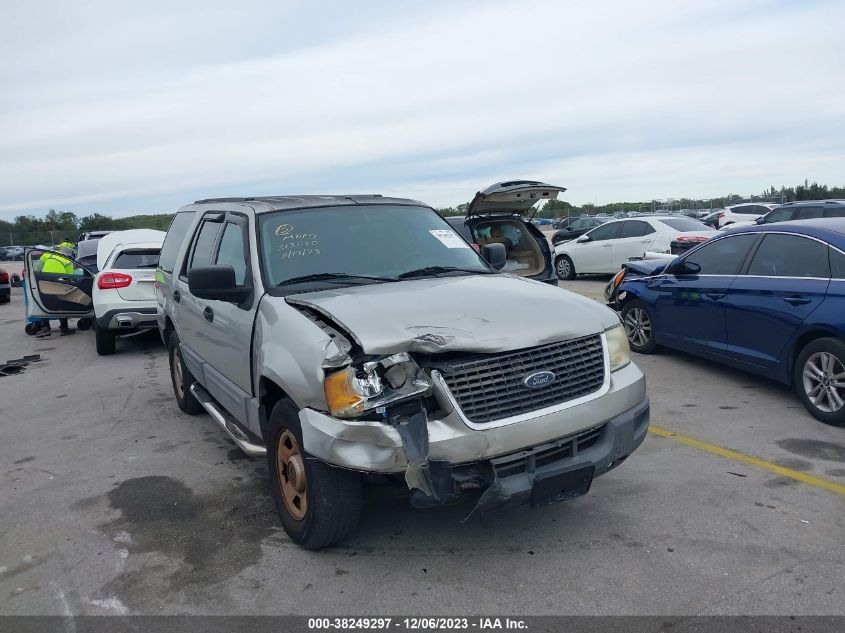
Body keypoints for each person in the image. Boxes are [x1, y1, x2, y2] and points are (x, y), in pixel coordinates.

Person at [35, 246, 76, 338]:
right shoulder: (68, 261)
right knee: (61, 305)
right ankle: (64, 329)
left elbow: (38, 269)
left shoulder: (48, 255)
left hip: (44, 282)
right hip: (59, 284)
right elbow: (70, 278)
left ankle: (45, 328)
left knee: (43, 304)